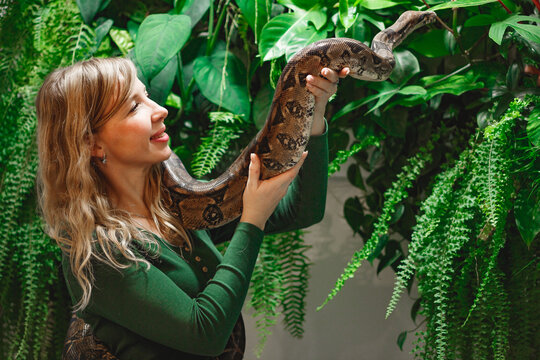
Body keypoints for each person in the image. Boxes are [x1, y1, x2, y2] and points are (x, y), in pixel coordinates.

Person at [36, 57, 349, 359]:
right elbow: (204, 333)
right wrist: (252, 219)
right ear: (92, 143)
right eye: (134, 107)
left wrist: (313, 113)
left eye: (146, 95)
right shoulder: (98, 250)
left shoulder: (172, 203)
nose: (160, 110)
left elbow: (302, 210)